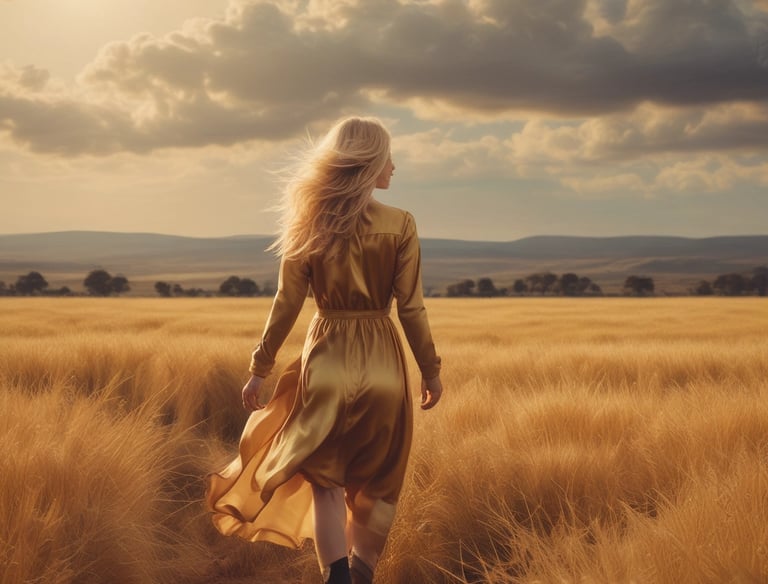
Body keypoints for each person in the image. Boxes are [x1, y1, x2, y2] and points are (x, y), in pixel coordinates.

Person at [206, 116, 443, 584]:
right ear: (370, 162)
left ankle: (336, 578)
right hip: (384, 363)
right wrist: (430, 371)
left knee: (327, 483)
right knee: (379, 482)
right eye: (388, 157)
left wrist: (260, 368)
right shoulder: (401, 224)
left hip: (327, 357)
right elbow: (412, 308)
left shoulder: (308, 223)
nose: (393, 167)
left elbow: (287, 302)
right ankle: (362, 574)